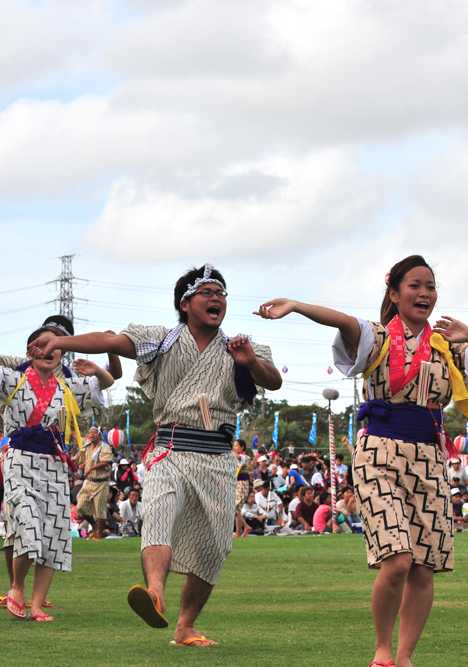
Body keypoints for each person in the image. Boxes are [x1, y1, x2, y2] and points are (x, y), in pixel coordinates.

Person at [255, 254, 468, 667]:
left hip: (430, 457)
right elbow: (343, 321)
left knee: (425, 564)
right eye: (414, 285)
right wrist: (296, 305)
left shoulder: (450, 346)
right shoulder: (377, 337)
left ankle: (406, 656)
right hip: (379, 453)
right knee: (398, 558)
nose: (425, 293)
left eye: (430, 286)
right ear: (393, 293)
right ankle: (381, 650)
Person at [28, 264, 281, 646]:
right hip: (170, 448)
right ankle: (155, 594)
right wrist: (63, 343)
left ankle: (185, 627)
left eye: (221, 294)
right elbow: (112, 341)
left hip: (217, 456)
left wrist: (250, 361)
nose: (216, 299)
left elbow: (273, 380)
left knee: (215, 545)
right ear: (185, 303)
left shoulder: (240, 347)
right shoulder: (160, 339)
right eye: (207, 293)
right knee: (159, 514)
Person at [0, 337, 112, 621]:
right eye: (42, 346)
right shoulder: (12, 379)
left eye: (55, 347)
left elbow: (107, 382)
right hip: (18, 461)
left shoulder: (67, 387)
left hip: (54, 466)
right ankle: (17, 586)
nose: (49, 352)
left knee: (53, 534)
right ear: (30, 351)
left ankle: (37, 604)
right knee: (28, 524)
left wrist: (96, 369)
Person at [74, 427, 115, 542]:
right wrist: (67, 427)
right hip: (89, 481)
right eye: (90, 432)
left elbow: (105, 462)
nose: (91, 434)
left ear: (100, 436)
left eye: (94, 432)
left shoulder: (104, 447)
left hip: (101, 482)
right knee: (80, 506)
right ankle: (94, 525)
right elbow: (75, 435)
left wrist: (90, 468)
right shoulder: (87, 444)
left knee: (100, 509)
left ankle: (99, 534)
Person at [233, 439, 252, 538]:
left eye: (236, 446)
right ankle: (244, 528)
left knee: (235, 509)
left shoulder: (246, 457)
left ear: (242, 447)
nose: (234, 448)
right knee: (236, 510)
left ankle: (239, 531)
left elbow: (239, 458)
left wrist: (230, 452)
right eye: (234, 446)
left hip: (242, 483)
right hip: (235, 483)